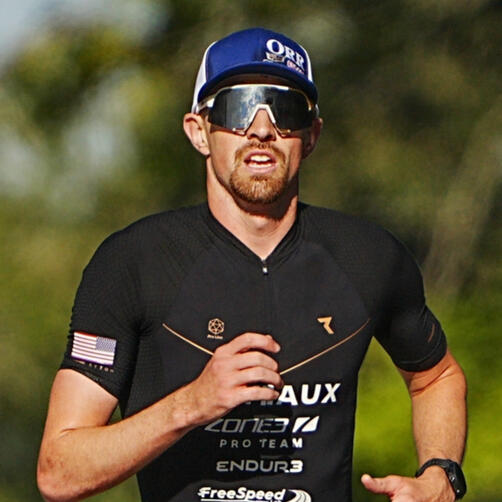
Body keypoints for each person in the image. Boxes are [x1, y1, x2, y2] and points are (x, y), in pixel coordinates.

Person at [37, 28, 467, 502]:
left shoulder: (367, 256)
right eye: (238, 107)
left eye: (286, 109)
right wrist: (191, 404)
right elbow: (59, 472)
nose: (262, 129)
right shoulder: (133, 261)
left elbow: (437, 377)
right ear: (198, 131)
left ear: (311, 135)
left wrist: (441, 476)